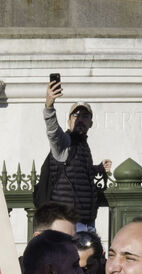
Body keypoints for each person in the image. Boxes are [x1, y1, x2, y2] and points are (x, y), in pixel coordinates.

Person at [40, 79, 111, 230]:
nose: (79, 119)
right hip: (68, 222)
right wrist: (49, 106)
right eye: (75, 115)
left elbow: (78, 171)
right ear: (69, 121)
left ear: (91, 123)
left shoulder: (82, 145)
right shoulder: (64, 142)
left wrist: (98, 168)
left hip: (87, 221)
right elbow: (52, 131)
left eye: (85, 116)